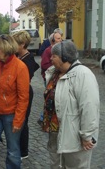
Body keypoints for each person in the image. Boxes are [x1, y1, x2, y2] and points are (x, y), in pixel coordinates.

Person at [43, 40, 100, 168]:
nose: (50, 58)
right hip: (55, 131)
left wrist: (87, 135)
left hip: (74, 136)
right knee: (57, 165)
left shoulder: (83, 75)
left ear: (65, 57)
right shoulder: (54, 73)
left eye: (54, 56)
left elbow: (89, 107)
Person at [0, 34, 30, 169]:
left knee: (13, 150)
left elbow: (23, 97)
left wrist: (18, 120)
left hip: (11, 115)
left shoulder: (20, 67)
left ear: (6, 49)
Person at [12, 30, 40, 159]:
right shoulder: (18, 56)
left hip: (25, 92)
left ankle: (24, 151)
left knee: (23, 121)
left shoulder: (28, 59)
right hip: (18, 92)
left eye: (15, 43)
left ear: (22, 44)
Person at [37, 32, 62, 127]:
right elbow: (43, 65)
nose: (61, 40)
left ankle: (45, 118)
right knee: (49, 98)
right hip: (49, 79)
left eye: (61, 38)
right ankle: (43, 118)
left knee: (54, 99)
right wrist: (55, 66)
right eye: (58, 38)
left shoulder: (60, 50)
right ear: (52, 40)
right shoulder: (48, 51)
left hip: (57, 78)